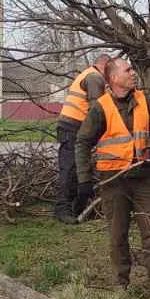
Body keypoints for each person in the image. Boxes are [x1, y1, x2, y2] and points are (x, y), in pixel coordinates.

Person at [75, 56, 150, 290]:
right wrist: (84, 180)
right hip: (113, 180)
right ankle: (121, 284)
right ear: (114, 78)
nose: (133, 73)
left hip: (143, 177)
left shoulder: (144, 100)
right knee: (118, 234)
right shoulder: (101, 107)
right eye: (128, 70)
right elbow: (82, 142)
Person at [53, 54, 111, 223]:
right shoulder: (94, 78)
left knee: (77, 168)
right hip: (73, 127)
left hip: (73, 127)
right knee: (70, 169)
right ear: (105, 66)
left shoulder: (89, 74)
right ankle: (63, 209)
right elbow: (96, 110)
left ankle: (75, 207)